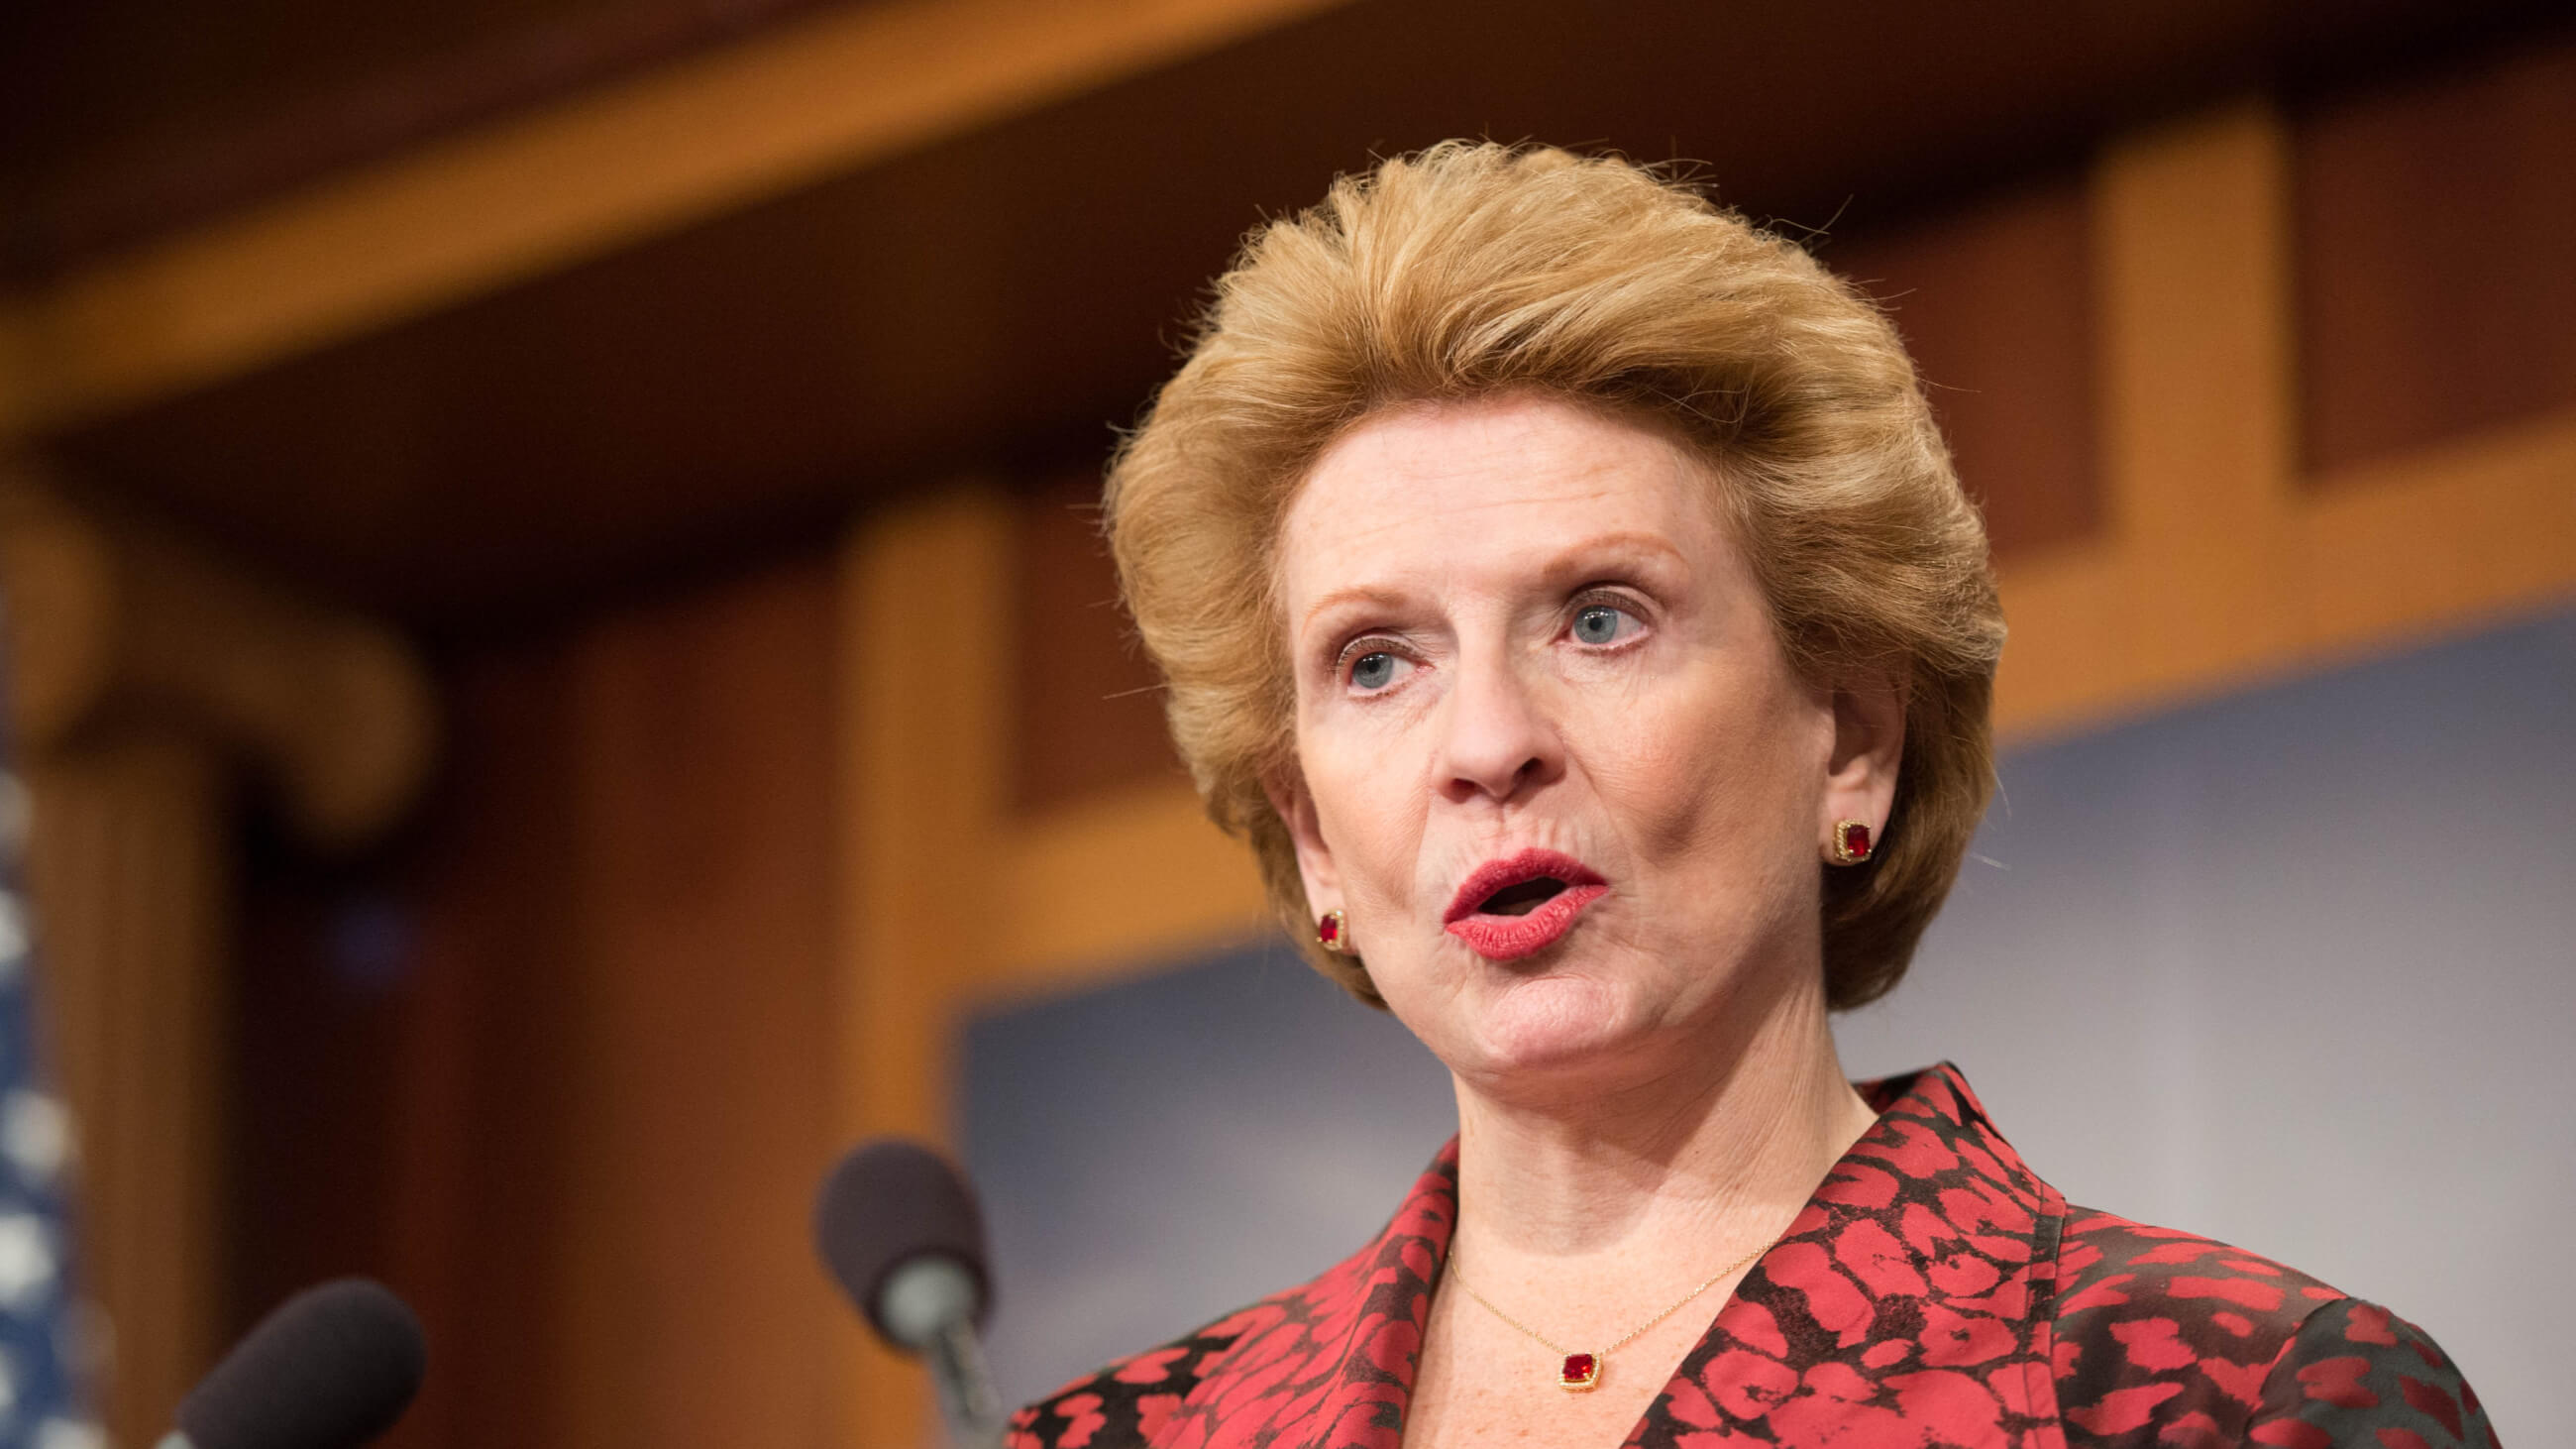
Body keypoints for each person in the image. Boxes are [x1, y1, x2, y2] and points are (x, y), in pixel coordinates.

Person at [1008, 144, 2495, 1449]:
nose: (1487, 742)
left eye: (1600, 617)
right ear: (1316, 833)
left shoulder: (2229, 1402)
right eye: (1378, 660)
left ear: (1847, 734)